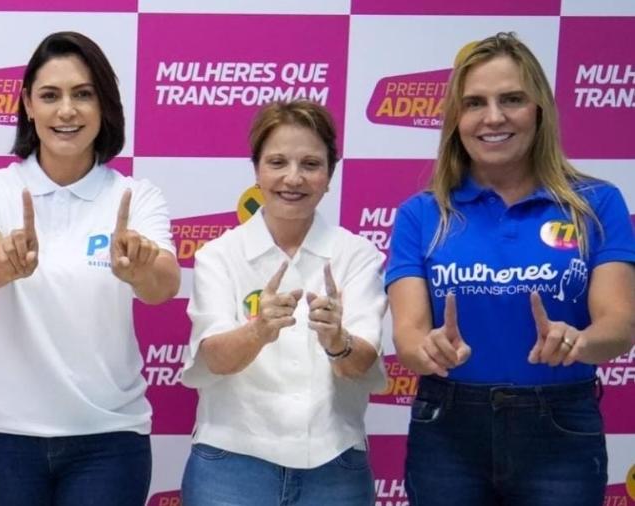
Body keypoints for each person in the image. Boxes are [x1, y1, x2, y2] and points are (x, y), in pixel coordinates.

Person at [386, 32, 635, 506]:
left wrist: (580, 341)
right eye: (475, 103)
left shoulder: (597, 204)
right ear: (456, 120)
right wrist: (428, 349)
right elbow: (409, 336)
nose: (494, 117)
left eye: (512, 99)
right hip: (448, 429)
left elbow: (619, 326)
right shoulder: (421, 214)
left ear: (539, 110)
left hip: (561, 428)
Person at [0, 31, 180, 505]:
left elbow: (164, 284)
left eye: (83, 94)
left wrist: (139, 268)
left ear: (104, 106)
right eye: (50, 95)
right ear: (27, 105)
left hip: (110, 440)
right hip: (5, 438)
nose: (67, 111)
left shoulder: (137, 197)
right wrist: (8, 260)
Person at [180, 100, 387, 506]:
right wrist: (257, 331)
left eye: (311, 164)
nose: (293, 178)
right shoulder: (218, 255)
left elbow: (361, 362)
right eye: (277, 162)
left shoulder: (359, 255)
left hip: (334, 465)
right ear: (256, 170)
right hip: (231, 464)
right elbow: (215, 358)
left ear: (330, 175)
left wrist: (337, 342)